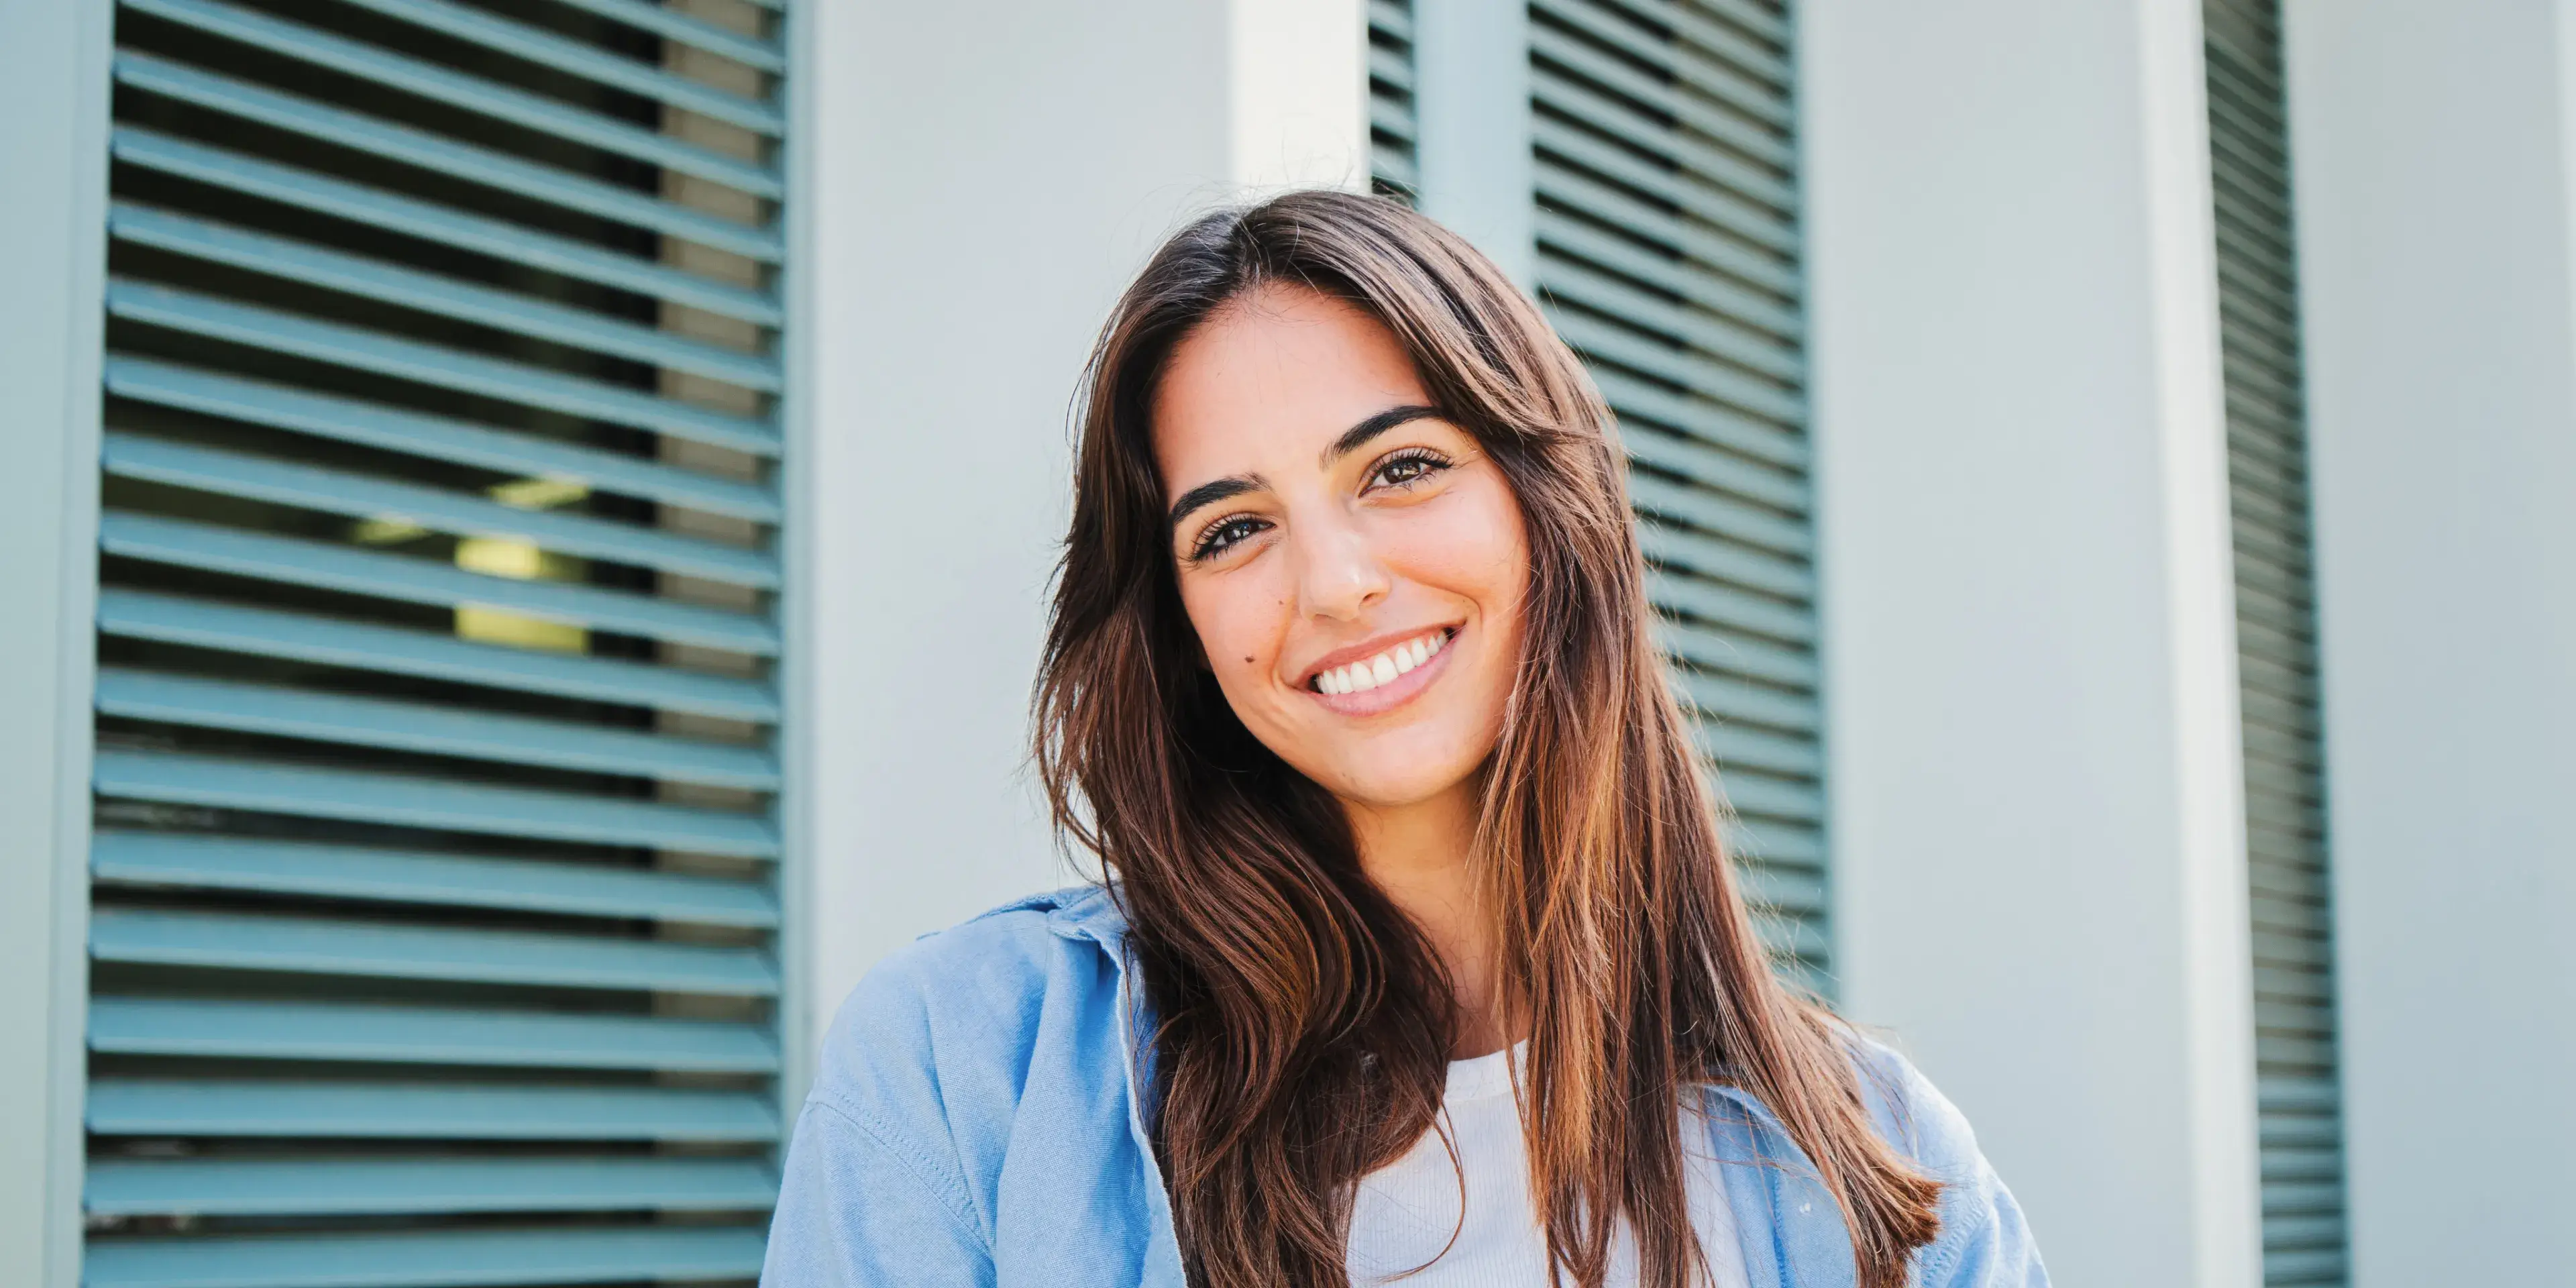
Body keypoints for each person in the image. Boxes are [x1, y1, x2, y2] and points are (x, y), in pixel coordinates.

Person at [759, 190, 2047, 1288]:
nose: (1332, 584)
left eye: (1401, 468)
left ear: (1553, 505)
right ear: (1180, 630)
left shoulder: (1885, 1173)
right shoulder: (965, 1069)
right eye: (1231, 530)